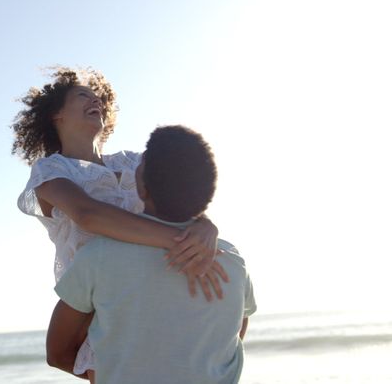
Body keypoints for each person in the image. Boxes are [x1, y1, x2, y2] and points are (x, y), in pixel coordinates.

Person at [14, 67, 228, 379]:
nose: (95, 100)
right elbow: (89, 215)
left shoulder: (131, 161)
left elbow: (181, 193)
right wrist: (179, 239)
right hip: (104, 306)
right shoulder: (51, 170)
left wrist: (206, 225)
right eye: (83, 95)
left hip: (161, 287)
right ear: (56, 113)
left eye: (98, 96)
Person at [46, 125, 256, 384]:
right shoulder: (233, 262)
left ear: (140, 187)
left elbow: (57, 354)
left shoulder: (98, 258)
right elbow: (234, 336)